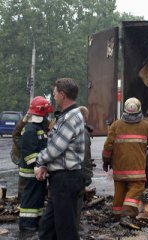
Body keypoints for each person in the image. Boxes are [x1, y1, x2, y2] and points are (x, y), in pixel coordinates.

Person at [35, 77, 85, 240]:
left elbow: (55, 149)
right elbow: (57, 151)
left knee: (66, 231)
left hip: (65, 179)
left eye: (55, 94)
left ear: (63, 94)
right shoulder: (66, 116)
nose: (54, 97)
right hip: (60, 179)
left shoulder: (70, 118)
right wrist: (45, 166)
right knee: (47, 229)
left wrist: (40, 162)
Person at [102, 97, 148, 226]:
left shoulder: (116, 125)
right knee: (135, 190)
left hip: (120, 168)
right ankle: (127, 214)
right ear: (139, 110)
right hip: (137, 169)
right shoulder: (145, 126)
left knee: (119, 192)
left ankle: (117, 217)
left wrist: (106, 161)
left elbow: (108, 146)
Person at [18, 96, 53, 232]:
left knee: (37, 198)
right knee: (30, 198)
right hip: (31, 171)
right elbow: (30, 152)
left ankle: (35, 221)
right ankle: (27, 223)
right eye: (46, 114)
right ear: (41, 112)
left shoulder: (37, 127)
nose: (47, 117)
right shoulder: (30, 129)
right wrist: (37, 167)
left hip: (38, 171)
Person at [76, 106, 94, 229]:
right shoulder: (83, 131)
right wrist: (88, 174)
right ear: (84, 116)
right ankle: (75, 225)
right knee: (77, 199)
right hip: (78, 173)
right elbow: (85, 155)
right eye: (87, 116)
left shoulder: (70, 127)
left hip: (67, 172)